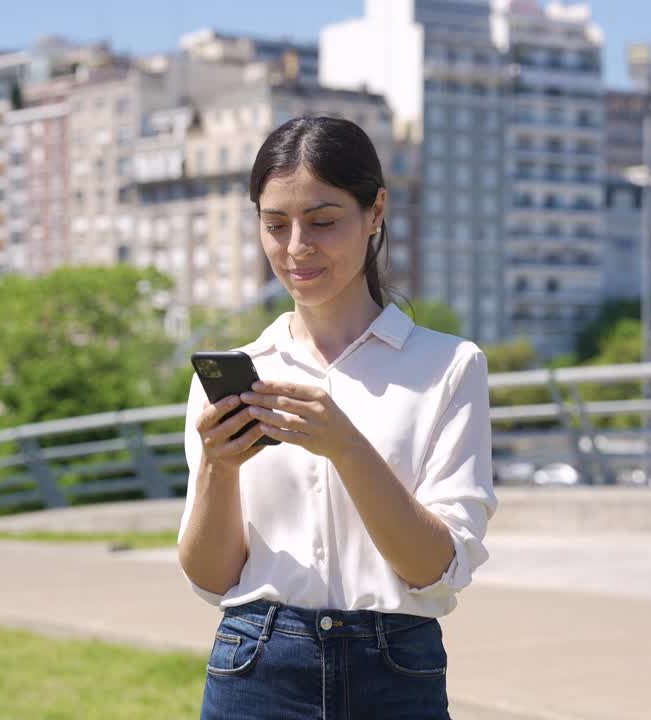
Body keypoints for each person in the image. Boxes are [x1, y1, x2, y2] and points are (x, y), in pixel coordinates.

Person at [178, 115, 497, 719]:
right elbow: (212, 579)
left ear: (375, 212)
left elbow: (435, 570)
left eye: (323, 222)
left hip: (395, 670)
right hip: (255, 665)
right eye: (275, 225)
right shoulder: (233, 376)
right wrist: (219, 469)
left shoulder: (450, 366)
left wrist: (347, 446)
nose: (297, 248)